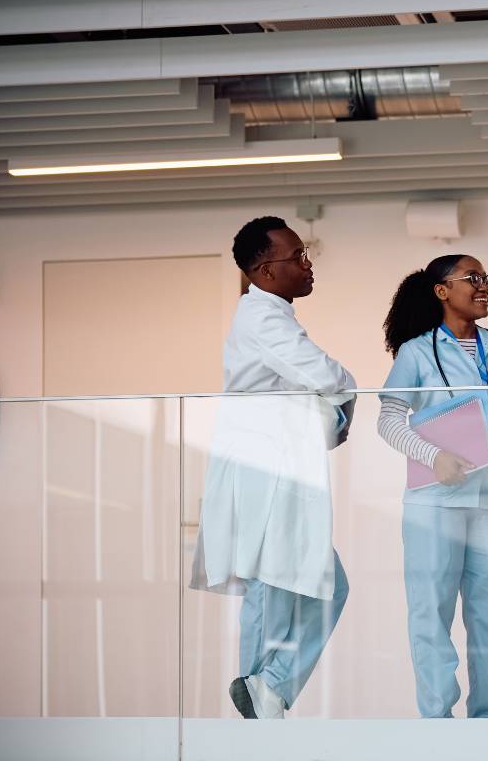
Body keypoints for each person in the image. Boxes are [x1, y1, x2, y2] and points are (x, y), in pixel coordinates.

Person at [190, 215, 355, 720]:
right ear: (265, 271)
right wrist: (343, 392)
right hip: (262, 474)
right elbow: (327, 375)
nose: (308, 265)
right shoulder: (261, 319)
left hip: (282, 469)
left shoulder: (273, 316)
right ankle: (255, 702)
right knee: (271, 589)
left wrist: (333, 403)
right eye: (298, 257)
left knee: (326, 586)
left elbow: (318, 386)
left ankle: (267, 688)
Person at [378, 254, 488, 718]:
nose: (483, 285)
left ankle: (487, 719)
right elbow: (388, 419)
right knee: (431, 611)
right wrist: (433, 456)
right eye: (472, 278)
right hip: (436, 500)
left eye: (486, 277)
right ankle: (438, 723)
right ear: (442, 291)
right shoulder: (416, 352)